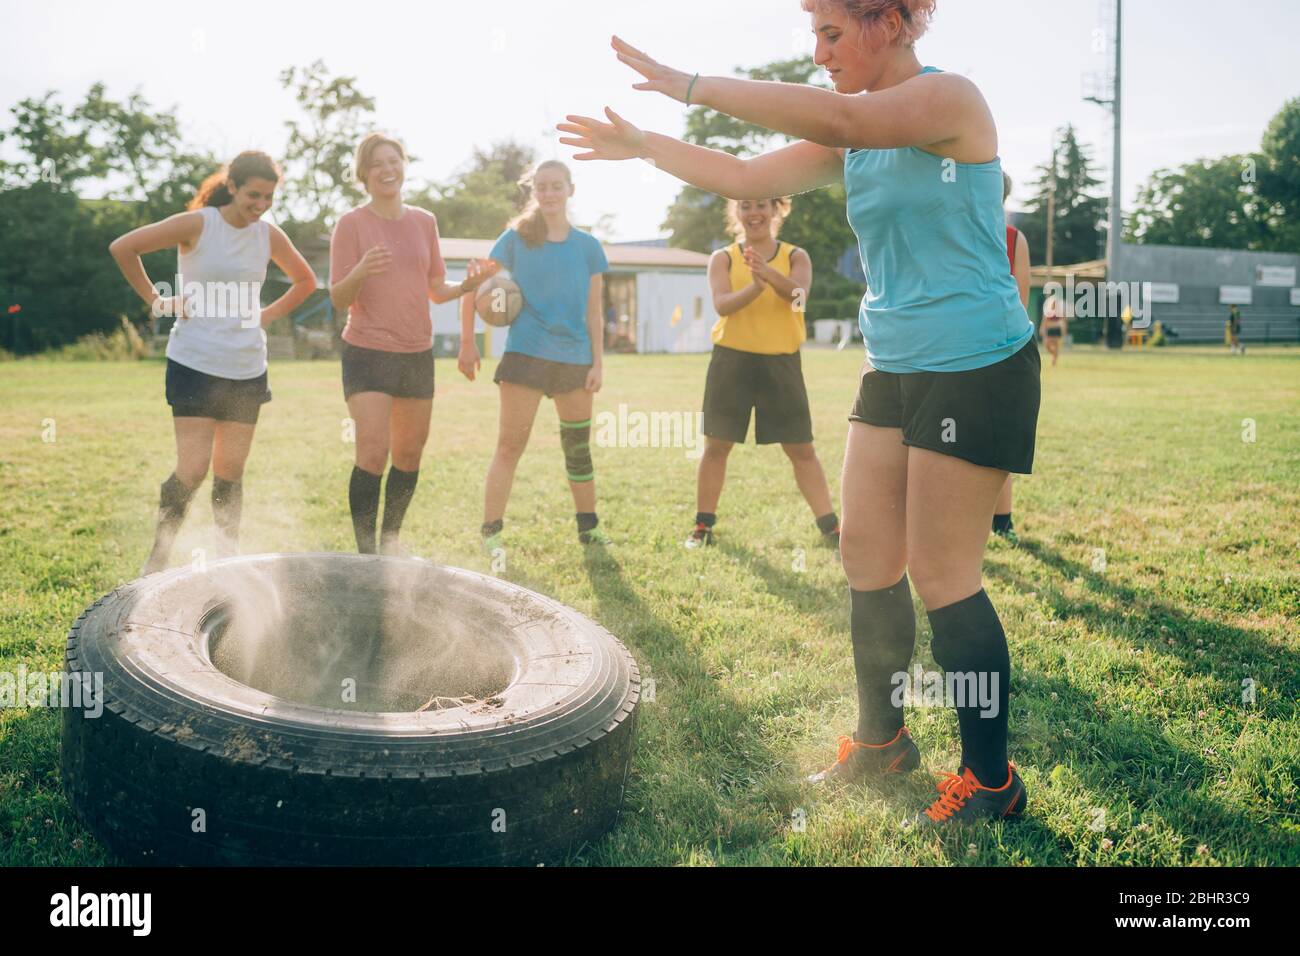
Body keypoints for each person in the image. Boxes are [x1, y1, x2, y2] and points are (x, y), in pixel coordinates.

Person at [559, 0, 1040, 827]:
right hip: (892, 365)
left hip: (975, 362)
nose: (819, 53)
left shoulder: (949, 100)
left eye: (831, 33)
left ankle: (991, 781)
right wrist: (645, 145)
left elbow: (836, 112)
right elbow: (748, 177)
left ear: (889, 22)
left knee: (944, 575)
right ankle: (881, 741)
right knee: (864, 554)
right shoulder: (852, 135)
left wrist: (690, 85)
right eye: (812, 36)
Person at [109, 151, 315, 574]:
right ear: (233, 186)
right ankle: (159, 557)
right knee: (193, 468)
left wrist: (266, 316)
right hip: (195, 361)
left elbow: (306, 280)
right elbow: (124, 247)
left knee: (230, 471)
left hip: (246, 367)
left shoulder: (268, 235)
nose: (260, 205)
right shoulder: (199, 224)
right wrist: (158, 300)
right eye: (253, 195)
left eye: (269, 198)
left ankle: (226, 562)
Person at [330, 133, 495, 556]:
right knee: (372, 451)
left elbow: (437, 288)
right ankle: (366, 554)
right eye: (377, 164)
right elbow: (338, 297)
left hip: (416, 354)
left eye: (394, 160)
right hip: (366, 351)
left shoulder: (424, 221)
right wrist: (361, 270)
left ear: (404, 165)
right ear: (363, 175)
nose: (387, 169)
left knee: (408, 454)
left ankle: (391, 541)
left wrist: (469, 285)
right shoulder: (352, 224)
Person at [457, 160, 611, 561]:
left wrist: (597, 363)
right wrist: (467, 343)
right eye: (541, 187)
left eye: (556, 186)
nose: (548, 193)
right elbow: (473, 285)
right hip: (525, 355)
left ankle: (589, 529)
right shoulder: (515, 239)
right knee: (509, 447)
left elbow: (594, 312)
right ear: (533, 192)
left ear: (570, 190)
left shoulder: (589, 247)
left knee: (577, 449)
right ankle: (492, 533)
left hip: (575, 360)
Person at [687, 196, 839, 549]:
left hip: (781, 362)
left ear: (776, 210)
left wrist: (768, 273)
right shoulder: (722, 257)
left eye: (761, 206)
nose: (753, 213)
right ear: (736, 213)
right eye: (745, 206)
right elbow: (723, 306)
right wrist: (755, 287)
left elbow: (800, 299)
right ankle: (702, 525)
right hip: (732, 361)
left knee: (801, 449)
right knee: (717, 446)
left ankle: (830, 526)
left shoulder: (795, 255)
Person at [993, 171, 1032, 542]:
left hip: (998, 351)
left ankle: (1001, 521)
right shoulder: (949, 230)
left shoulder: (1012, 238)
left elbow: (1020, 302)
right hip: (947, 351)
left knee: (997, 440)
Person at [1041, 292, 1067, 366]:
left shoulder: (1060, 311)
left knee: (1056, 345)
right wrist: (1042, 329)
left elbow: (1064, 321)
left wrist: (1064, 330)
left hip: (1057, 330)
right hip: (1050, 330)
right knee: (1046, 345)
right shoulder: (1048, 311)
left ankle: (1054, 361)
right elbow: (1044, 321)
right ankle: (1054, 355)